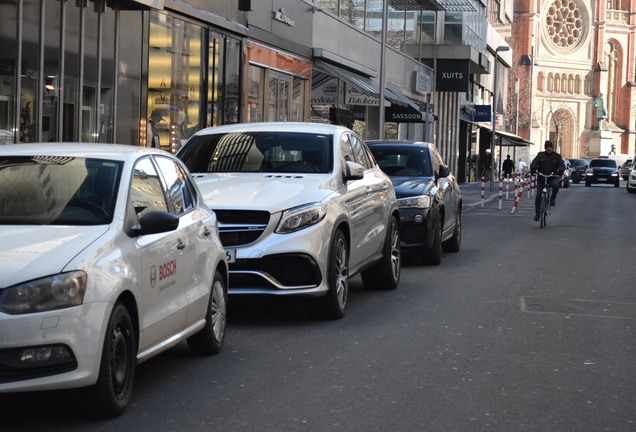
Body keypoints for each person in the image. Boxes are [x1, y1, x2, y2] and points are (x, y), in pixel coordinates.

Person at [530, 140, 565, 221]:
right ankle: (537, 214)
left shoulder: (557, 156)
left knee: (556, 185)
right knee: (538, 196)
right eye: (547, 147)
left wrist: (560, 170)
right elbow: (534, 163)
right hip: (541, 178)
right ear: (545, 148)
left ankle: (552, 198)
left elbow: (561, 165)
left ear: (552, 148)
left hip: (552, 177)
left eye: (550, 147)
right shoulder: (540, 155)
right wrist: (533, 170)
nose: (549, 149)